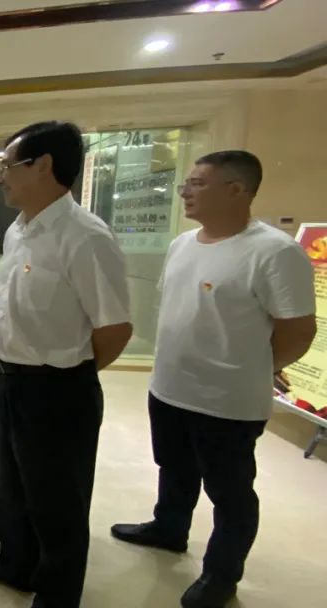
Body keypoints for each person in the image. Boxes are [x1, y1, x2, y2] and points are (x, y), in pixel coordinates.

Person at [111, 151, 316, 608]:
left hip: (228, 401)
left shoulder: (275, 252)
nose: (184, 191)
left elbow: (299, 331)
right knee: (174, 466)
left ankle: (221, 576)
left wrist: (255, 367)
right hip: (170, 387)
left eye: (198, 183)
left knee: (230, 492)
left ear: (236, 190)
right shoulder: (183, 244)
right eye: (187, 183)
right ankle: (169, 528)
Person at [0, 121, 132, 608]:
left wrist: (65, 373)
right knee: (13, 487)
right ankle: (15, 564)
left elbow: (115, 329)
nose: (0, 177)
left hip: (57, 389)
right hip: (8, 378)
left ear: (44, 166)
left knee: (58, 504)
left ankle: (56, 596)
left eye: (8, 166)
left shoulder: (85, 236)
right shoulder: (19, 229)